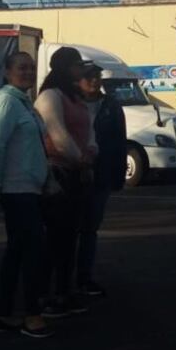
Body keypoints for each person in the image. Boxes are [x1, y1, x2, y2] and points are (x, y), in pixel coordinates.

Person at [0, 52, 53, 338]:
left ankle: (3, 313)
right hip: (16, 189)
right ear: (7, 71)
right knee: (34, 251)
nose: (27, 72)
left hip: (30, 188)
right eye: (21, 68)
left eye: (31, 68)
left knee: (17, 251)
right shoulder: (5, 102)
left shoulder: (23, 103)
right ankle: (32, 313)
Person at [34, 47, 97, 318]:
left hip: (77, 173)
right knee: (55, 237)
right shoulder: (50, 96)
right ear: (65, 67)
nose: (81, 70)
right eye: (77, 64)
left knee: (70, 237)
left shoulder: (75, 96)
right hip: (57, 174)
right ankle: (44, 296)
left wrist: (91, 152)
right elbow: (57, 134)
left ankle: (64, 290)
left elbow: (90, 131)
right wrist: (80, 158)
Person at [76, 63, 126, 297]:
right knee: (68, 228)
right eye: (89, 77)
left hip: (101, 174)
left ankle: (84, 277)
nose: (94, 80)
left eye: (97, 76)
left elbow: (119, 140)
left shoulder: (111, 105)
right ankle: (61, 279)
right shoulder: (69, 102)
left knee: (90, 228)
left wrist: (118, 175)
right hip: (73, 173)